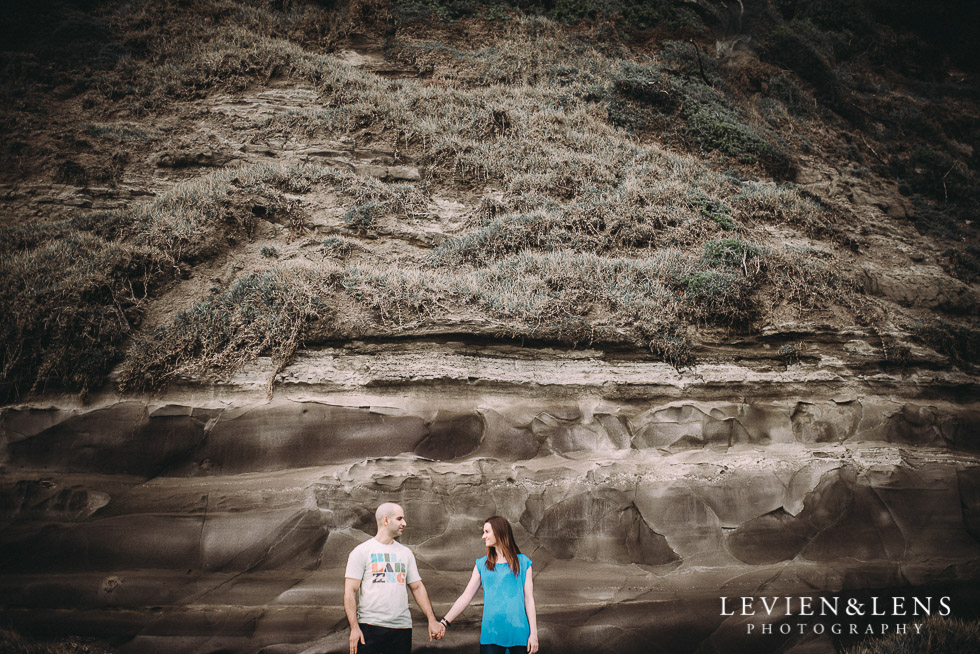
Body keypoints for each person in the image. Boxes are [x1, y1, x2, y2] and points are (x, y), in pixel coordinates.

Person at [344, 502, 445, 654]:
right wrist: (354, 628)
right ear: (386, 520)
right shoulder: (361, 552)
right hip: (370, 627)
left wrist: (431, 620)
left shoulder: (405, 553)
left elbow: (417, 587)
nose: (404, 523)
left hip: (401, 629)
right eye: (399, 519)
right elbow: (350, 591)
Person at [438, 516, 539, 654]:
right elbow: (465, 597)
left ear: (499, 532)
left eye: (487, 532)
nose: (483, 536)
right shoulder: (482, 565)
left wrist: (534, 635)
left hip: (520, 635)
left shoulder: (523, 562)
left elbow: (529, 600)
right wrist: (444, 622)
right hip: (491, 635)